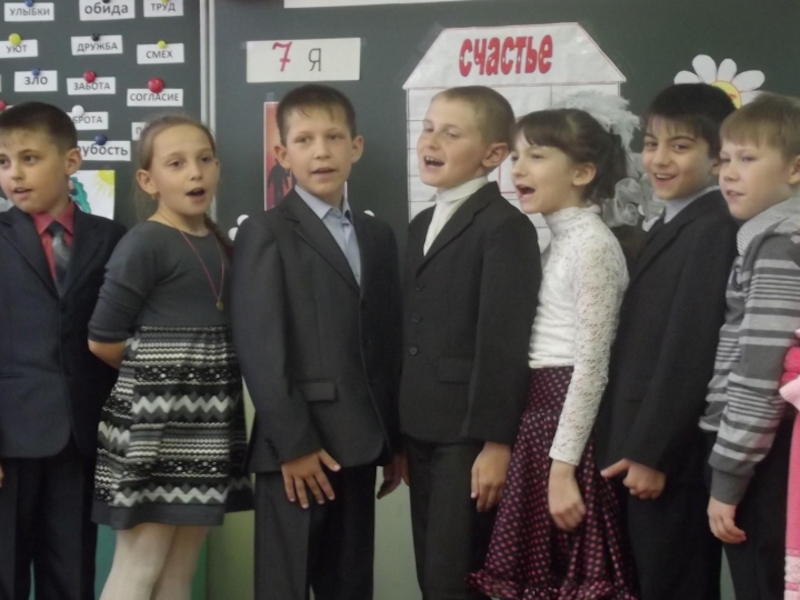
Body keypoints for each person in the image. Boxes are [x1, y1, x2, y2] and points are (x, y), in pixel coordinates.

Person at [231, 84, 404, 600]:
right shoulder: (266, 232)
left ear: (356, 146)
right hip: (297, 450)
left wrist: (393, 440)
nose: (321, 151)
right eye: (304, 140)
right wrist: (295, 444)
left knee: (350, 585)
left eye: (334, 137)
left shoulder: (378, 236)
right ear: (282, 154)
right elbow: (262, 350)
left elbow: (384, 343)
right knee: (285, 586)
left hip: (362, 441)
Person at [470, 100, 637, 599]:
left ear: (582, 172)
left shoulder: (592, 246)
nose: (519, 169)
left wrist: (562, 469)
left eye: (537, 156)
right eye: (516, 156)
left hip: (566, 425)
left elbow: (591, 367)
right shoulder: (556, 241)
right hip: (540, 419)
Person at [89, 115, 252, 600]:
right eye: (176, 164)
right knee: (139, 569)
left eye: (204, 160)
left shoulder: (221, 243)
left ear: (217, 167)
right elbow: (102, 339)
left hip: (206, 428)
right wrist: (161, 375)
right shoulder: (144, 242)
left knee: (180, 572)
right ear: (148, 180)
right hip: (153, 428)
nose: (195, 172)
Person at [594, 83, 737, 600]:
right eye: (651, 144)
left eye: (680, 146)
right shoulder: (670, 223)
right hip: (635, 447)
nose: (658, 159)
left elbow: (689, 350)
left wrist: (652, 453)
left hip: (668, 458)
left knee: (674, 583)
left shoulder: (714, 227)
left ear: (719, 158)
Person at [400, 85, 541, 600]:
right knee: (430, 574)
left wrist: (497, 443)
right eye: (427, 128)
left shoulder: (505, 227)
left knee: (455, 577)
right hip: (420, 428)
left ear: (493, 154)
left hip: (468, 435)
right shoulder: (421, 223)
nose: (431, 141)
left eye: (451, 133)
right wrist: (399, 437)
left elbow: (503, 341)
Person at [0, 101, 125, 600]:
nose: (14, 174)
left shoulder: (112, 238)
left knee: (71, 575)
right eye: (3, 162)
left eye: (29, 158)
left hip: (82, 437)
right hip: (10, 440)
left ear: (71, 161)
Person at [700, 93, 800, 600]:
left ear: (795, 169)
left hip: (764, 457)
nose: (729, 173)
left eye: (747, 158)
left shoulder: (778, 244)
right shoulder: (770, 237)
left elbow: (760, 370)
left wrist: (728, 479)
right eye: (724, 158)